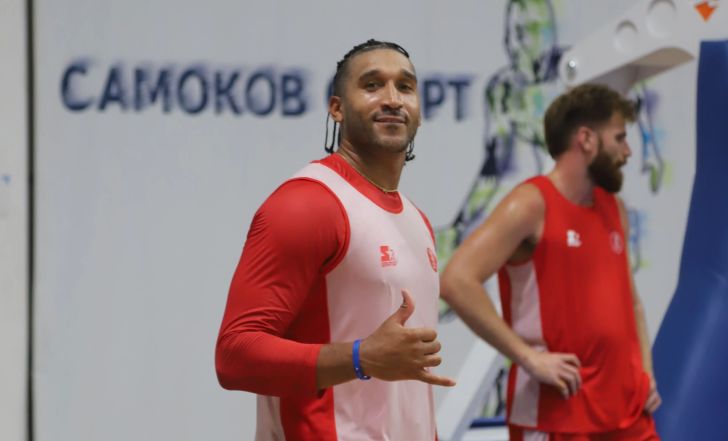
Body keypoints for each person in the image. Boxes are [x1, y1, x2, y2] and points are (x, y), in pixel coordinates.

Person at [215, 39, 454, 441]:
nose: (392, 99)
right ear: (337, 108)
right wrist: (361, 358)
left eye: (405, 87)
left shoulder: (418, 220)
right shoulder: (307, 204)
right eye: (372, 85)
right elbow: (234, 356)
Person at [441, 84, 661, 441]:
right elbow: (456, 281)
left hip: (626, 411)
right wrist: (528, 357)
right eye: (620, 138)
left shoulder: (614, 207)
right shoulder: (529, 204)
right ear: (586, 139)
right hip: (556, 413)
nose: (628, 151)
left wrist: (646, 374)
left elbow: (631, 303)